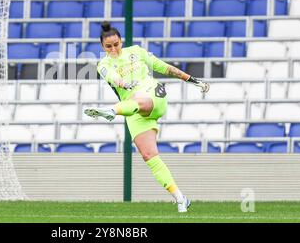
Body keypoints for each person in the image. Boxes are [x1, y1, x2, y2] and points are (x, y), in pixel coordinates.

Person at [84, 22, 210, 213]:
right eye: (108, 46)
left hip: (153, 96)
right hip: (133, 111)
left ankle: (112, 111)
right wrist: (124, 83)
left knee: (139, 98)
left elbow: (165, 68)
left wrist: (192, 80)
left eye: (116, 44)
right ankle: (180, 198)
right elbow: (112, 77)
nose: (114, 49)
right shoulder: (103, 64)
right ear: (102, 47)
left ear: (121, 41)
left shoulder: (136, 51)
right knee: (149, 155)